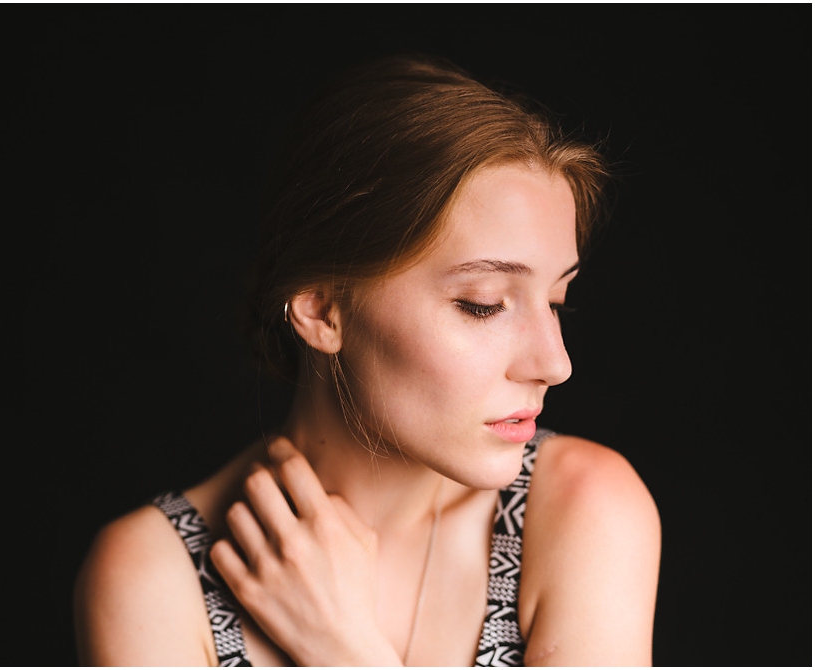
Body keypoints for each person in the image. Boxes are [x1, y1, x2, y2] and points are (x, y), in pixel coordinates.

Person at [73, 52, 661, 666]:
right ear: (324, 311)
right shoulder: (155, 576)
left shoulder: (582, 509)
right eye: (484, 305)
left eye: (556, 301)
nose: (554, 363)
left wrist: (344, 650)